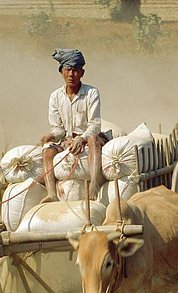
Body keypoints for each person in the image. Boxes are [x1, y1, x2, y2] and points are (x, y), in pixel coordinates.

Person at [39, 48, 106, 203]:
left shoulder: (91, 93)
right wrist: (52, 135)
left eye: (75, 70)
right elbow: (58, 129)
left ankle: (94, 185)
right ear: (61, 72)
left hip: (89, 138)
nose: (71, 74)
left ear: (82, 73)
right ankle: (51, 194)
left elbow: (95, 124)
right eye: (68, 69)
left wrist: (81, 138)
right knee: (47, 151)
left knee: (94, 139)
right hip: (67, 141)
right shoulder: (55, 96)